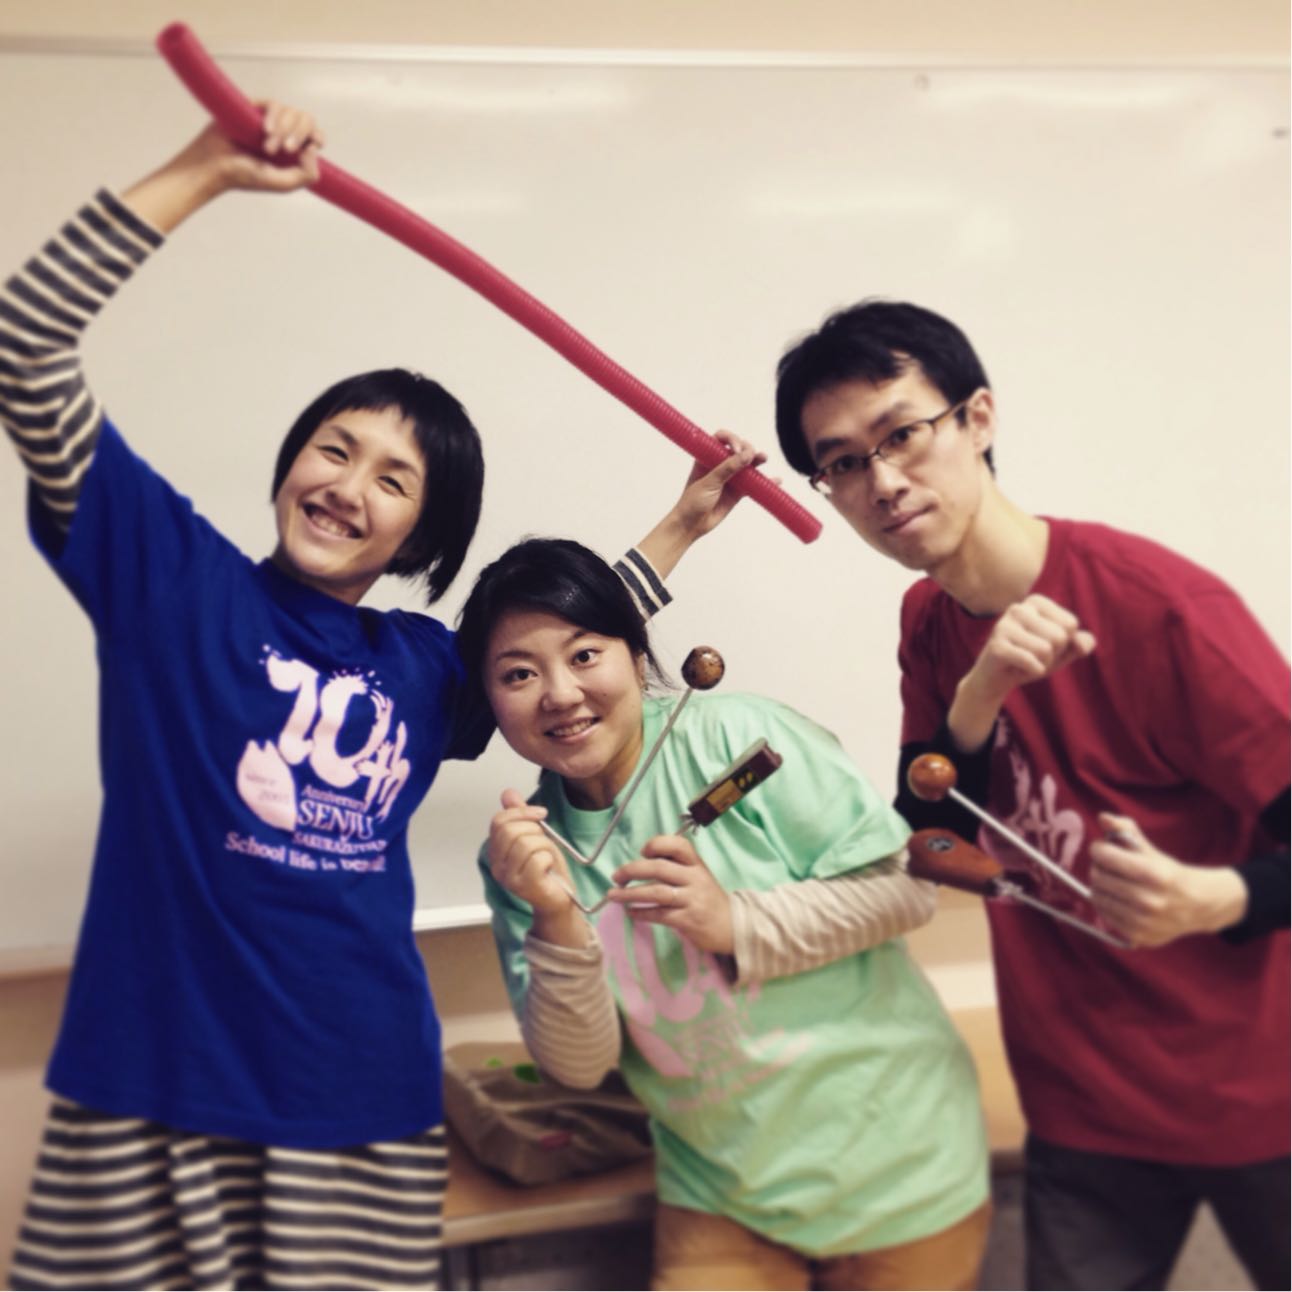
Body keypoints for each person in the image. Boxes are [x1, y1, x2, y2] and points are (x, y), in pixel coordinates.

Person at [0, 105, 756, 1291]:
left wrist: (681, 525)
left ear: (423, 534)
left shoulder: (421, 665)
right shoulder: (172, 581)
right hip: (152, 1088)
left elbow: (558, 641)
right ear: (292, 460)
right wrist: (202, 171)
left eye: (393, 478)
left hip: (361, 1097)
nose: (348, 485)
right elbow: (25, 344)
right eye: (334, 447)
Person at [772, 299, 1290, 1291]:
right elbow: (930, 839)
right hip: (1082, 1103)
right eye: (840, 463)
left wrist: (1213, 899)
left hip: (1264, 1090)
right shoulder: (928, 622)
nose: (881, 482)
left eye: (900, 434)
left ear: (977, 418)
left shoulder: (1161, 607)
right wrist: (979, 694)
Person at [458, 536, 992, 1292]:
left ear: (636, 654)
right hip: (720, 1189)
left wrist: (730, 923)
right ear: (489, 700)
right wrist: (555, 921)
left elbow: (906, 890)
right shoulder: (523, 858)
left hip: (903, 1164)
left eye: (585, 655)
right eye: (519, 673)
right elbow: (579, 1066)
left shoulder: (737, 742)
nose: (561, 694)